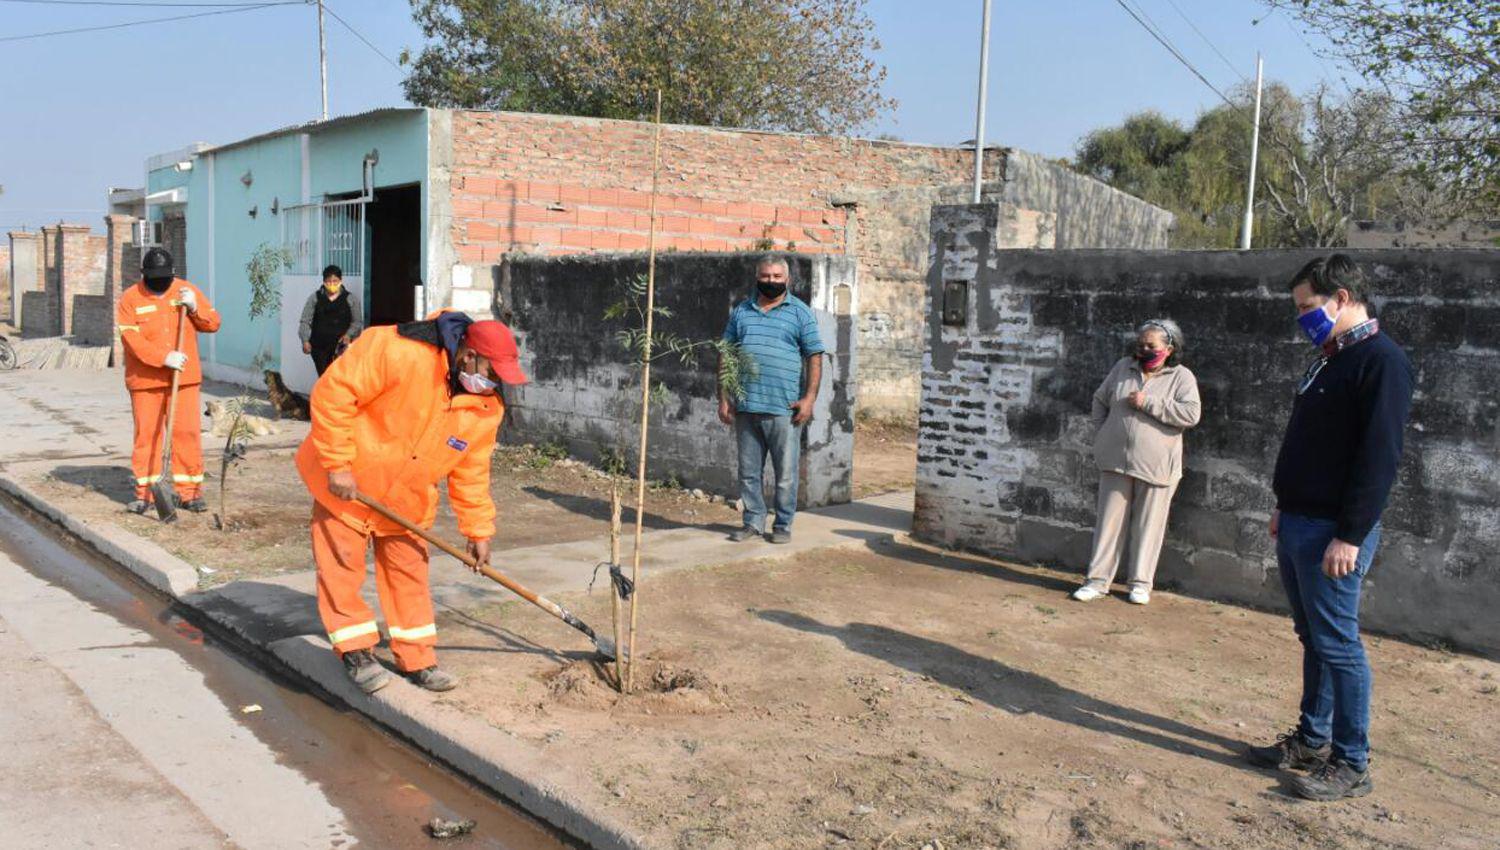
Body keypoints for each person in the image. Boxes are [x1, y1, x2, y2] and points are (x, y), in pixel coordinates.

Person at [1247, 254, 1413, 802]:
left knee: (1339, 644)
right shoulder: (1329, 359)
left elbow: (1378, 459)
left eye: (1308, 307)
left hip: (1333, 533)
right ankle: (1311, 740)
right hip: (1299, 519)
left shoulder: (1380, 361)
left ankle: (1351, 761)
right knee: (1312, 637)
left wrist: (1350, 533)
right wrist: (1284, 503)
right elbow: (1308, 443)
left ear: (1341, 297)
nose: (1302, 318)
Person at [297, 309, 528, 695]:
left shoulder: (485, 408)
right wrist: (337, 465)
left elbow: (471, 470)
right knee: (342, 567)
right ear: (469, 355)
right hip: (348, 487)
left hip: (407, 501)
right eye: (492, 372)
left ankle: (417, 657)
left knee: (410, 575)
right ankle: (356, 651)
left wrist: (478, 529)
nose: (494, 383)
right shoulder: (398, 348)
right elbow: (333, 393)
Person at [1072, 319, 1200, 605]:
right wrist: (1103, 431)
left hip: (1157, 466)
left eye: (1151, 346)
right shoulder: (1123, 367)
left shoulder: (1182, 377)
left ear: (1168, 348)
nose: (1143, 350)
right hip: (1116, 459)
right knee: (1108, 524)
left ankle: (1140, 584)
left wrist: (1148, 403)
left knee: (1148, 526)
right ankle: (1097, 581)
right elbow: (1100, 400)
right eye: (1140, 344)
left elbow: (1191, 415)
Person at [718, 255, 825, 544]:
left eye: (777, 276)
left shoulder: (800, 313)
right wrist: (724, 396)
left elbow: (814, 356)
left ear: (787, 279)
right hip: (746, 406)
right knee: (749, 473)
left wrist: (809, 398)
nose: (771, 281)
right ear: (757, 277)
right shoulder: (742, 311)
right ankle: (752, 522)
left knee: (786, 474)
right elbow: (726, 354)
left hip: (784, 409)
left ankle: (782, 525)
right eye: (766, 276)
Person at [115, 247, 221, 514]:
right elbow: (131, 339)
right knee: (147, 436)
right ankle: (146, 494)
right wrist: (163, 357)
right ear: (144, 274)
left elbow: (213, 324)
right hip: (146, 380)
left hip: (183, 379)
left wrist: (196, 308)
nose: (159, 282)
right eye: (154, 277)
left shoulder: (186, 291)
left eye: (164, 277)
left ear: (173, 273)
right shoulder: (130, 298)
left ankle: (190, 493)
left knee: (187, 434)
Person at [298, 264, 363, 376]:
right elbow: (305, 321)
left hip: (341, 347)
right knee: (324, 376)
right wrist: (305, 340)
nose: (332, 284)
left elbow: (357, 322)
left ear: (341, 281)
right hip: (319, 347)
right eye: (329, 281)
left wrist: (348, 335)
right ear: (324, 282)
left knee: (339, 376)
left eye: (335, 281)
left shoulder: (350, 299)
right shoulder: (315, 298)